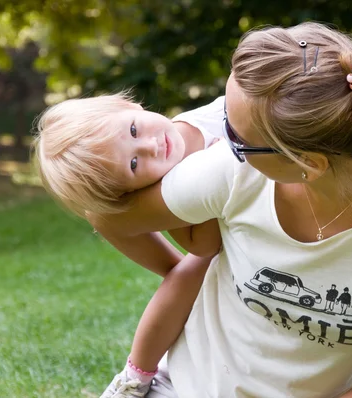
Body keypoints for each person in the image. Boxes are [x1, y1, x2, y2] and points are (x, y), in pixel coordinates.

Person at [89, 22, 352, 397]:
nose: (221, 141)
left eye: (237, 139)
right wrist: (179, 269)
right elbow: (106, 214)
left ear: (306, 165)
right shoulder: (227, 168)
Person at [33, 93, 224, 397]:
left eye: (133, 130)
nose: (151, 146)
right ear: (134, 189)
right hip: (230, 260)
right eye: (134, 163)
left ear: (131, 106)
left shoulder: (209, 120)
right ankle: (135, 379)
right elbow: (204, 247)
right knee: (188, 273)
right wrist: (214, 175)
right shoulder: (167, 186)